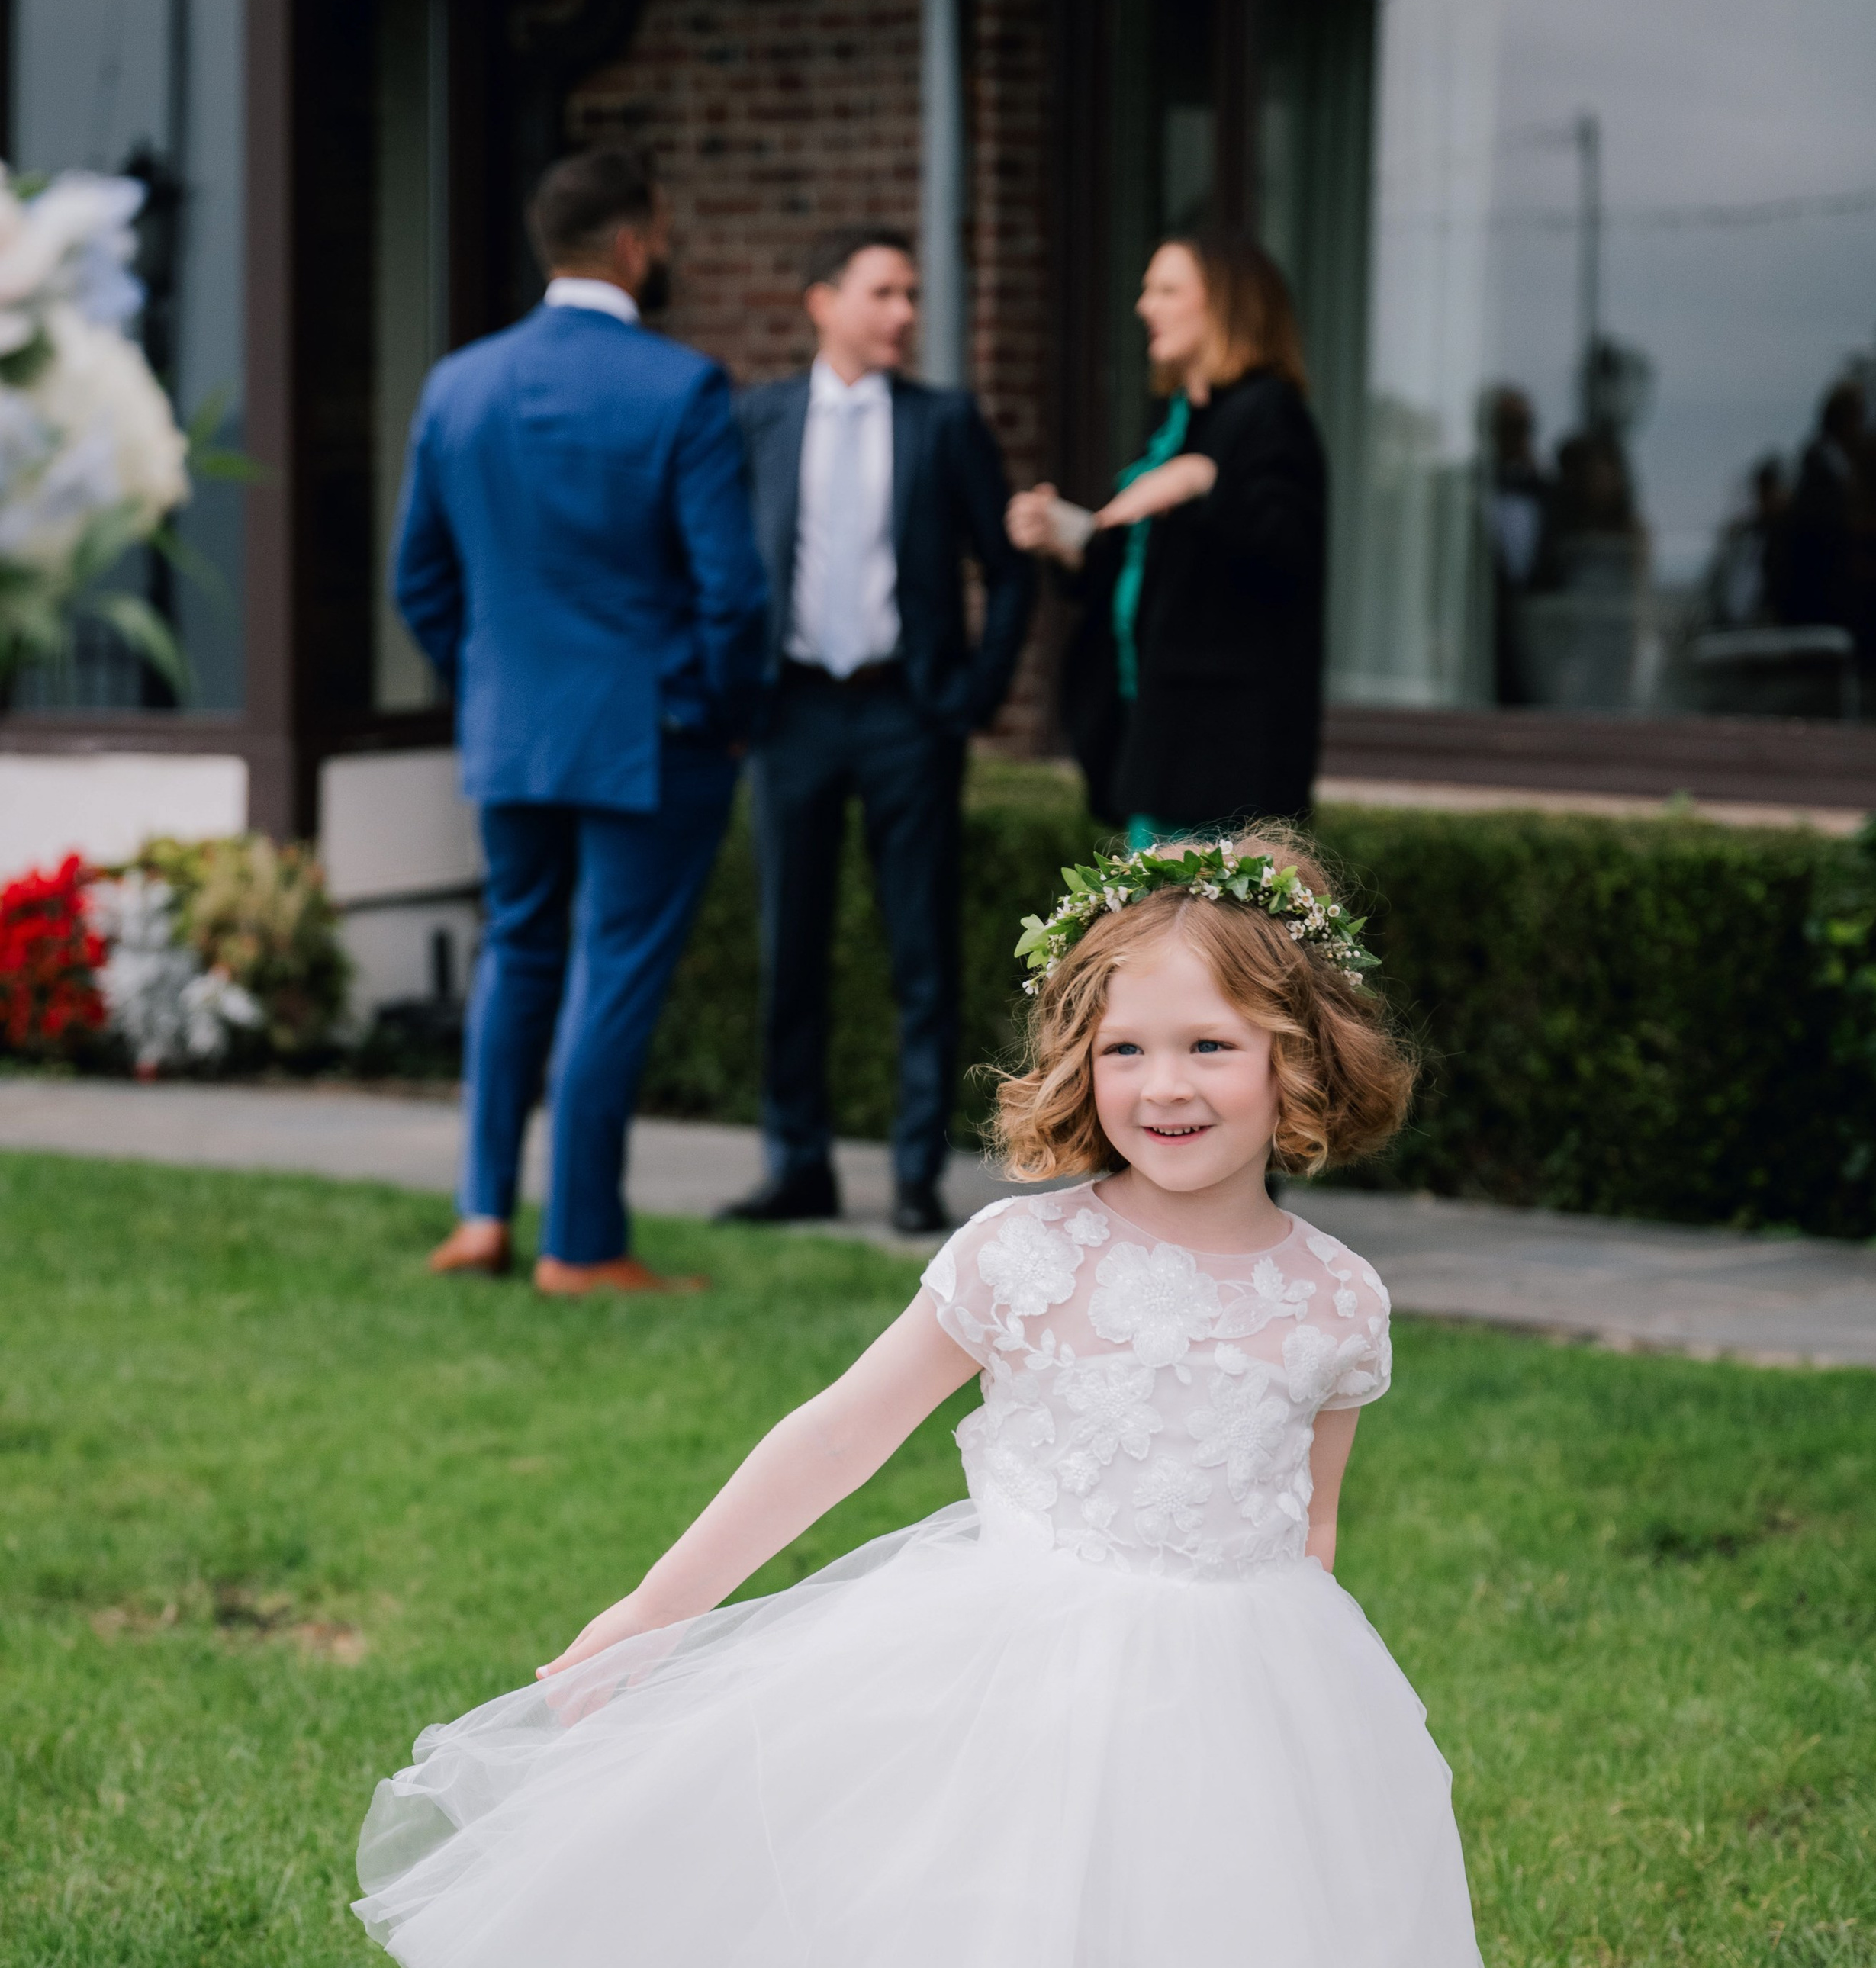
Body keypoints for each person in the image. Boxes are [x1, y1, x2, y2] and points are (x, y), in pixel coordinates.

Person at [354, 828, 1511, 1968]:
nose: (1162, 1082)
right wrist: (657, 1608)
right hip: (1012, 1685)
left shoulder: (1332, 1305)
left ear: (1305, 1055)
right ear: (1072, 1063)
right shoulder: (1022, 1260)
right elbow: (835, 1433)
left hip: (1231, 1706)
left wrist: (1308, 1759)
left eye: (1209, 1043)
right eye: (1123, 1045)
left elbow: (1309, 1523)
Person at [394, 145, 770, 1295]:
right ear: (634, 240)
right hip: (649, 739)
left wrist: (490, 683)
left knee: (518, 954)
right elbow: (732, 593)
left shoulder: (457, 384)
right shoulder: (682, 388)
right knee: (613, 973)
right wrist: (720, 712)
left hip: (512, 733)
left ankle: (479, 1215)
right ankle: (583, 1242)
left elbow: (420, 580)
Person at [721, 230, 1035, 1238]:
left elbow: (1011, 566)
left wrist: (974, 694)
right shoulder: (757, 420)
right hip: (795, 709)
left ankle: (913, 1174)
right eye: (883, 291)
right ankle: (796, 1163)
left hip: (909, 712)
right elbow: (717, 566)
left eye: (910, 293)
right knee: (790, 947)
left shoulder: (945, 424)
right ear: (824, 302)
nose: (904, 311)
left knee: (921, 951)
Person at [1009, 230, 1326, 844]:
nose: (1144, 307)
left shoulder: (1268, 414)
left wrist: (1204, 479)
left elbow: (1285, 555)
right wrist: (1065, 535)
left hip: (1222, 764)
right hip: (1156, 742)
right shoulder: (1177, 419)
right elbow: (1144, 562)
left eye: (1166, 289)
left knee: (1202, 938)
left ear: (1226, 303)